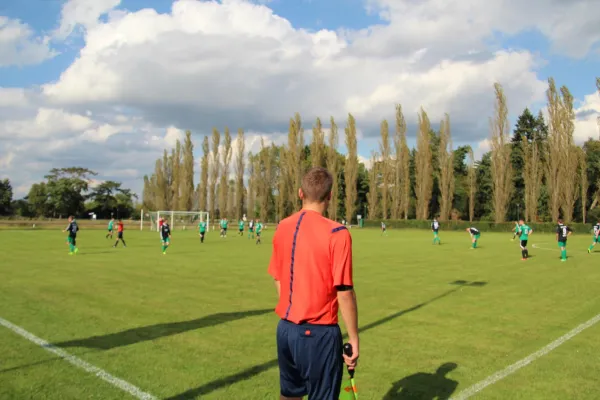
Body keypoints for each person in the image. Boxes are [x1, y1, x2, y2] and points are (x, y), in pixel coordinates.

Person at [268, 167, 359, 400]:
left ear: (300, 193)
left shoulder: (282, 227)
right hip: (319, 334)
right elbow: (344, 291)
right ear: (329, 196)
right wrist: (354, 338)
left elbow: (277, 277)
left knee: (289, 395)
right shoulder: (338, 233)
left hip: (286, 330)